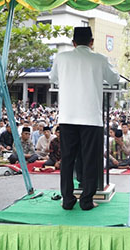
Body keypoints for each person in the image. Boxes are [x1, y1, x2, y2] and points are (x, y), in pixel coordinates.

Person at [49, 26, 120, 211]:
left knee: (67, 159)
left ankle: (67, 199)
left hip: (67, 116)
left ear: (73, 43)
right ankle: (86, 201)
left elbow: (53, 78)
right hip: (91, 118)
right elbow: (114, 79)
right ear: (92, 42)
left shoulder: (61, 57)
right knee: (90, 159)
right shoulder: (100, 59)